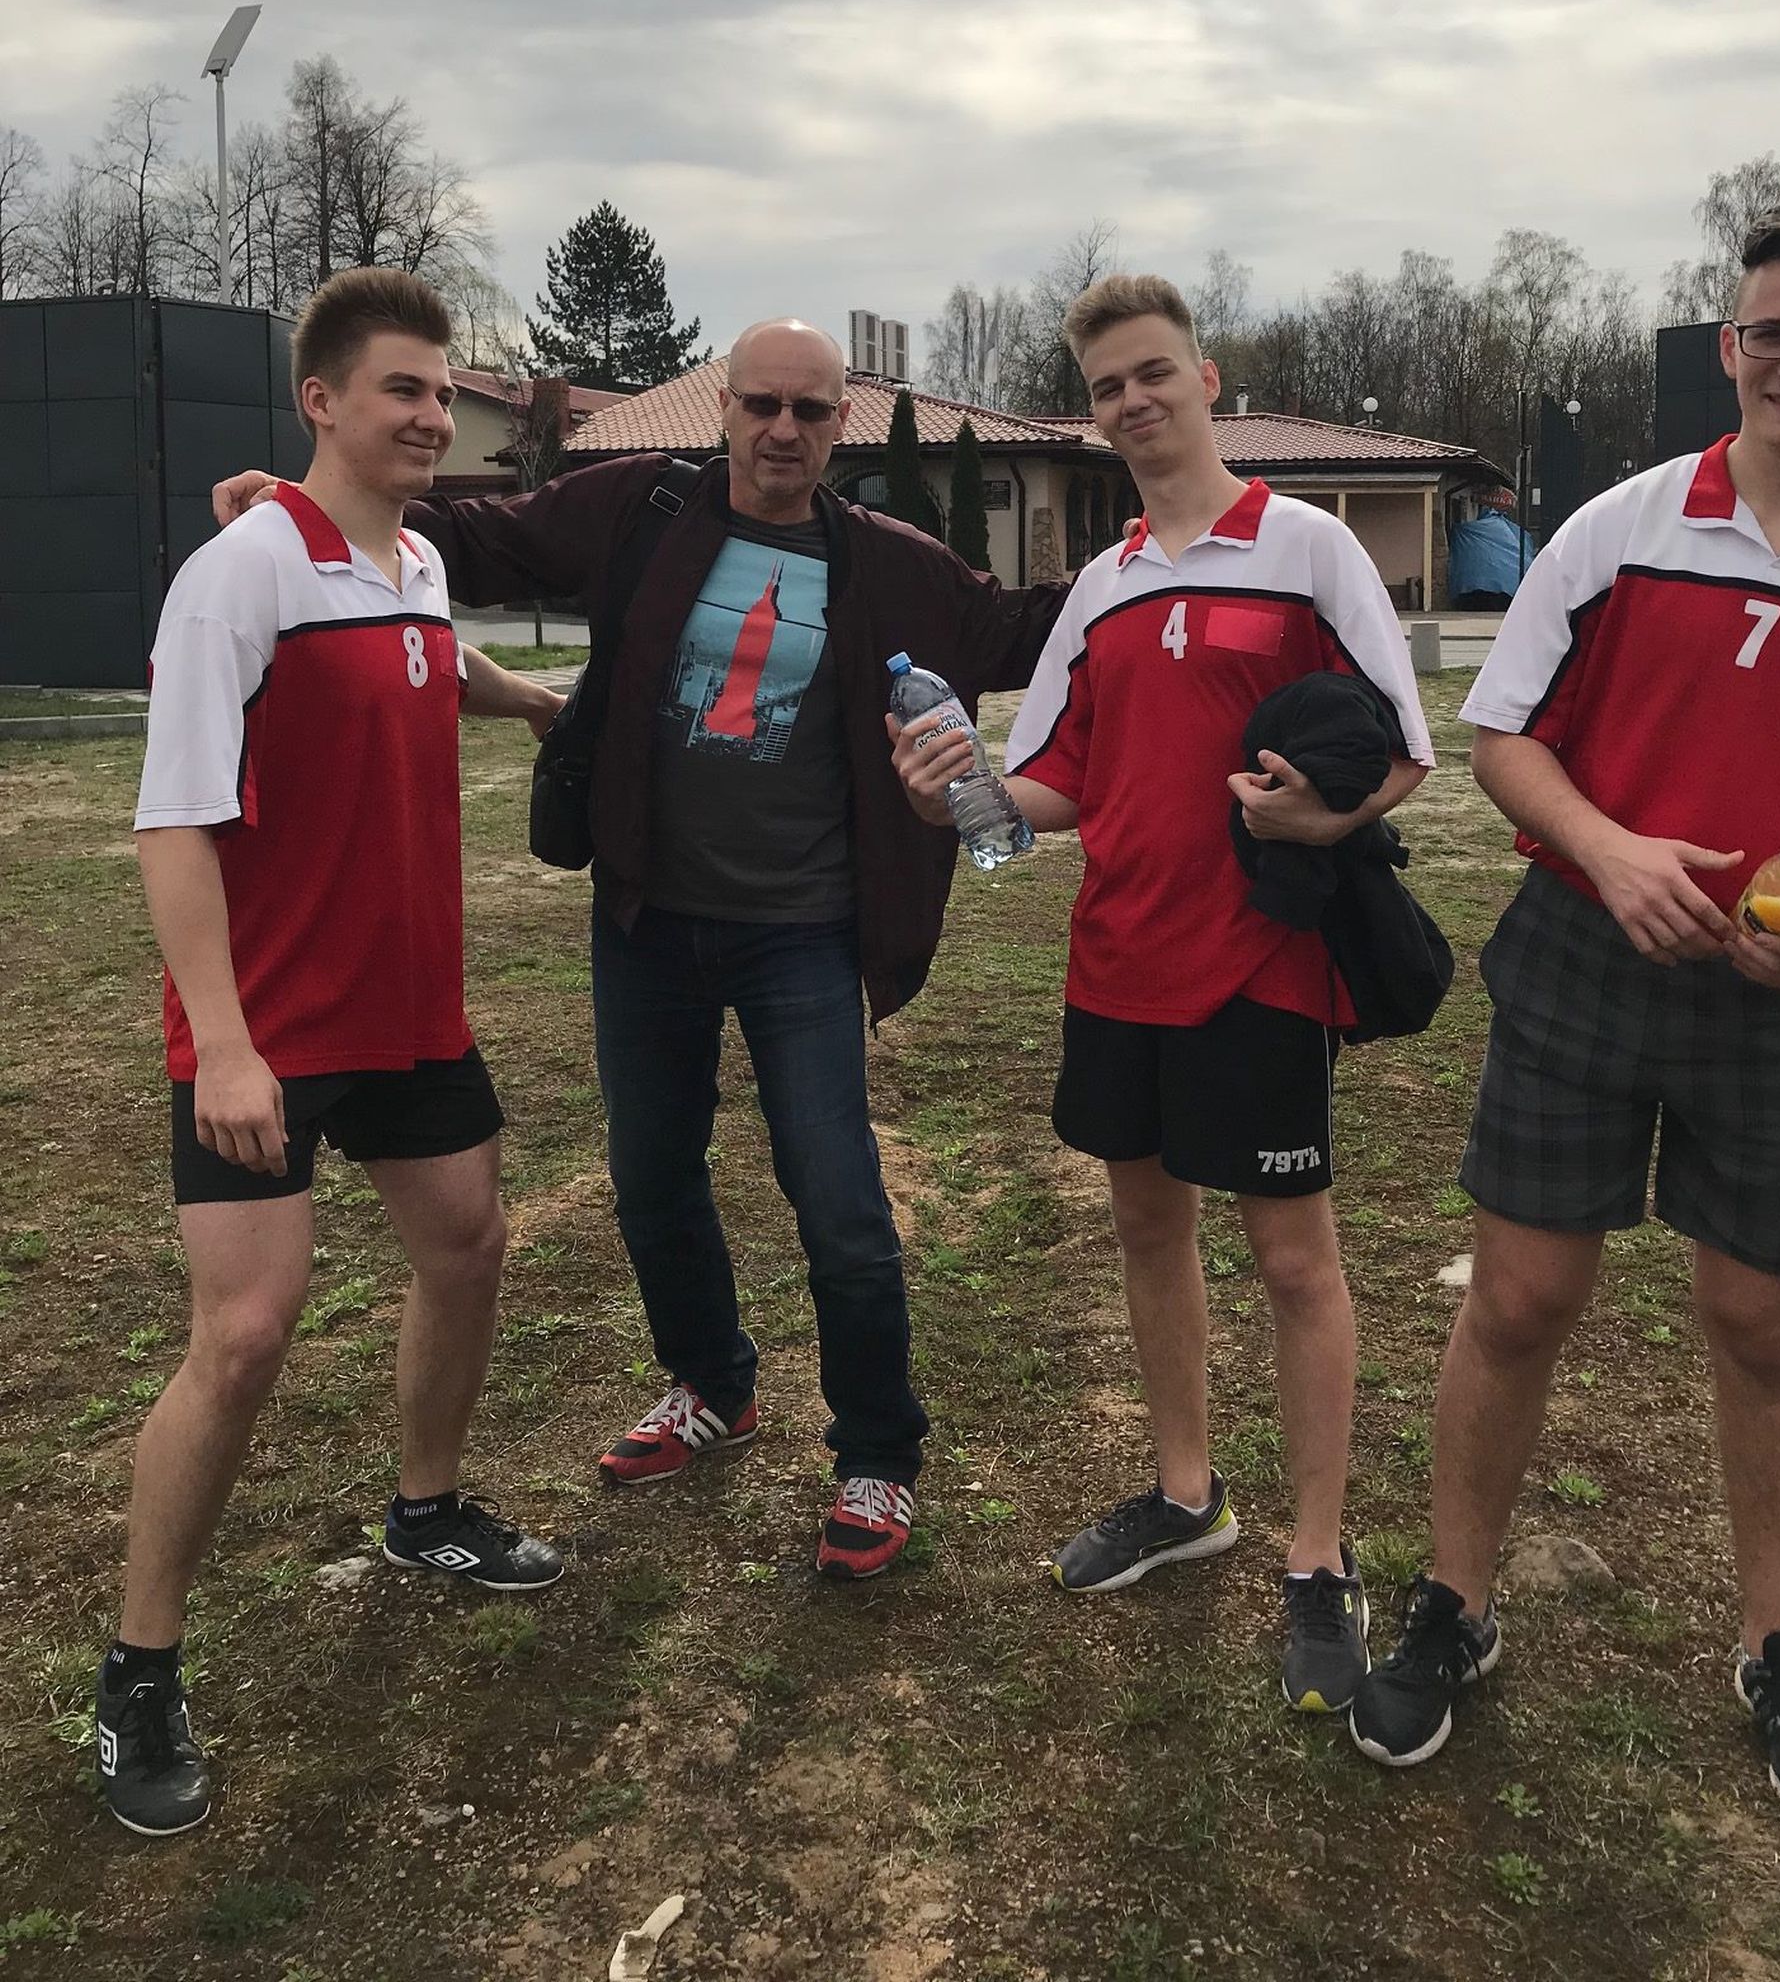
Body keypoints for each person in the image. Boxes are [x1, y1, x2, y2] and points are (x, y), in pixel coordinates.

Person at [215, 319, 1063, 1579]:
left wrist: (1160, 557)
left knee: (839, 1202)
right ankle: (713, 1383)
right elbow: (478, 536)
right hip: (649, 920)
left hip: (804, 933)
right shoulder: (643, 508)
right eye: (762, 404)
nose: (783, 431)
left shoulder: (891, 564)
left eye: (810, 411)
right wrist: (306, 507)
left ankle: (877, 1452)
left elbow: (1030, 629)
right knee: (652, 1176)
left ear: (841, 424)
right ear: (727, 408)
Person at [1350, 194, 1780, 1835]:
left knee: (1765, 1326)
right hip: (1584, 956)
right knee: (1520, 1300)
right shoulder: (1618, 529)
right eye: (1769, 332)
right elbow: (1505, 739)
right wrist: (1607, 851)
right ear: (1729, 345)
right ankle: (1455, 1604)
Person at [894, 275, 1433, 1710]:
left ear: (1205, 379)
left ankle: (1317, 1556)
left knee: (1295, 1262)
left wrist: (1325, 818)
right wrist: (958, 793)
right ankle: (1188, 1494)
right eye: (1106, 386)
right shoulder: (1103, 584)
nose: (1132, 400)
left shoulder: (1310, 548)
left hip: (1261, 964)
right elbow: (1054, 787)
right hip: (1118, 959)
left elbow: (1400, 752)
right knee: (1148, 1228)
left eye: (1152, 373)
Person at [100, 268, 565, 1840]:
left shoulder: (413, 561)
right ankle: (139, 1670)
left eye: (441, 391)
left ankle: (425, 1511)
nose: (433, 417)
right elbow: (172, 824)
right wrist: (226, 1048)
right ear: (322, 401)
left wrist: (531, 701)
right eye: (402, 392)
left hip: (410, 1011)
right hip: (269, 1032)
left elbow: (426, 664)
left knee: (469, 1247)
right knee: (243, 1337)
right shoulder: (239, 573)